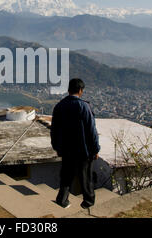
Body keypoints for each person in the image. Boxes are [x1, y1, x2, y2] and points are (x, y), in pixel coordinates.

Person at [50, 78, 101, 209]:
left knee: (66, 175)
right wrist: (95, 150)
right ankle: (88, 202)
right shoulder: (84, 106)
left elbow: (54, 130)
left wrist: (56, 147)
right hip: (83, 150)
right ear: (80, 90)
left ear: (68, 90)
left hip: (66, 150)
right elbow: (91, 131)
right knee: (85, 177)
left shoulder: (59, 106)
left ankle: (62, 199)